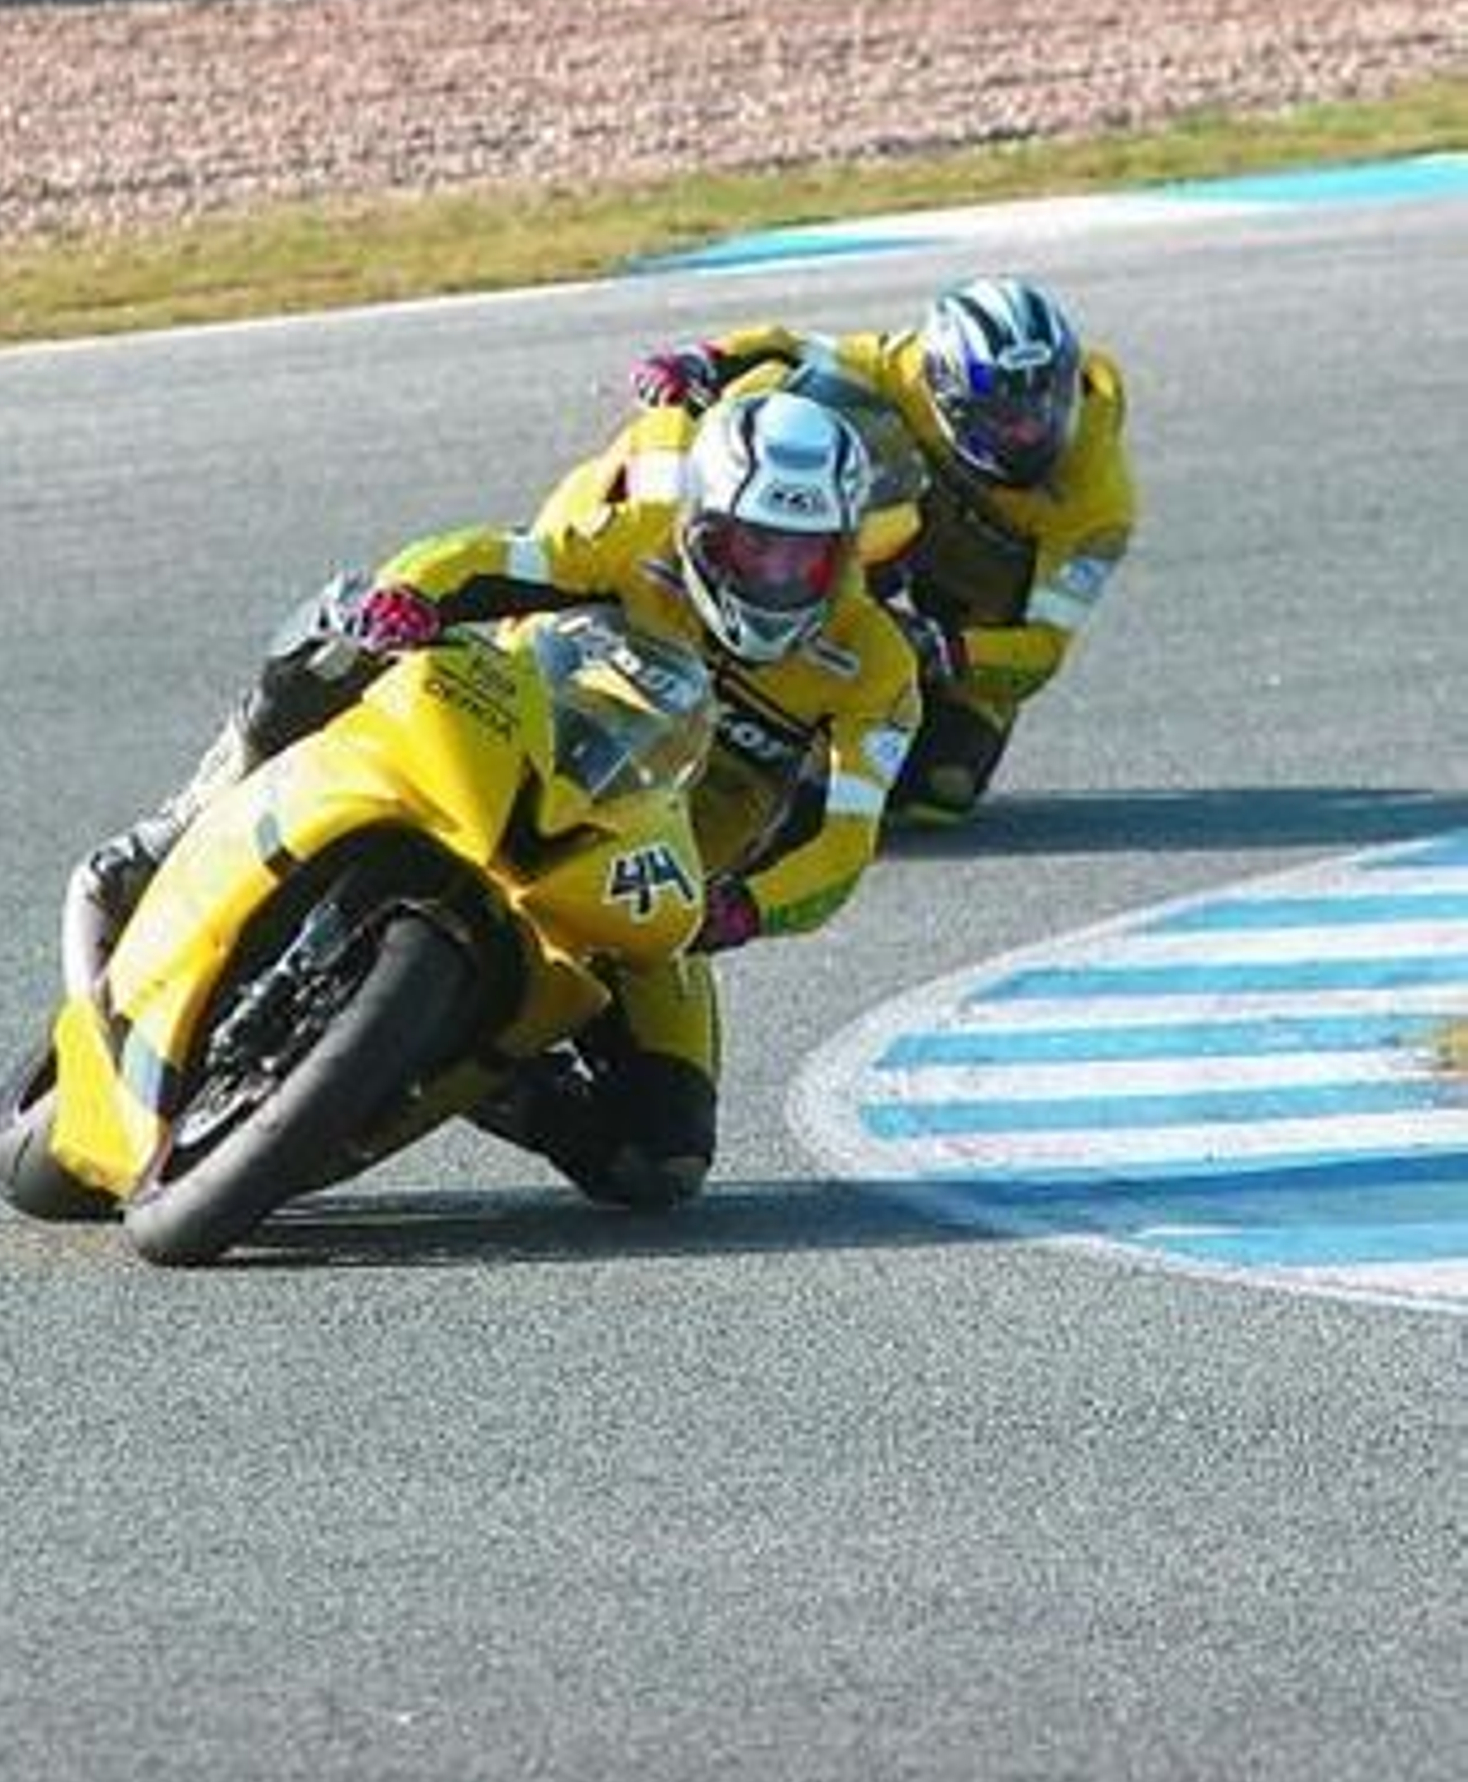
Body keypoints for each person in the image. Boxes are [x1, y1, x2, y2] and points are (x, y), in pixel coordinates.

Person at [66, 390, 921, 1212]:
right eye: (750, 547)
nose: (776, 576)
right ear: (700, 523)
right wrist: (410, 593)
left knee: (662, 1159)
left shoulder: (876, 665)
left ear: (845, 551)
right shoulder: (636, 539)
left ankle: (484, 1068)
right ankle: (189, 815)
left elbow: (844, 841)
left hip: (644, 876)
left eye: (802, 555)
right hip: (512, 756)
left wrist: (746, 909)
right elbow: (497, 557)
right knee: (341, 630)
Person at [623, 274, 1136, 826]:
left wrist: (942, 649)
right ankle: (758, 598)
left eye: (1044, 408)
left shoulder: (1100, 502)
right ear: (944, 389)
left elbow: (1041, 651)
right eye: (1006, 417)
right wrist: (702, 360)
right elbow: (790, 348)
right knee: (823, 409)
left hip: (968, 614)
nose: (1029, 434)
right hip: (877, 539)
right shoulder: (906, 367)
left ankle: (817, 735)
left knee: (940, 791)